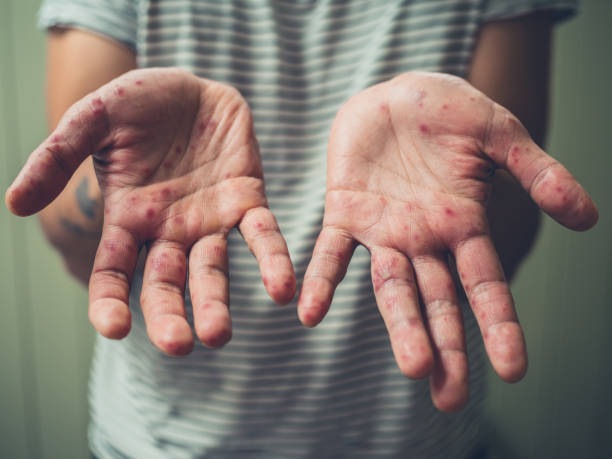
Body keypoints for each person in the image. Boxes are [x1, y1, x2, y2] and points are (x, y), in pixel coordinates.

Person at [5, 0, 598, 457]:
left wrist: (463, 168)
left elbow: (501, 240)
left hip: (406, 442)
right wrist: (119, 187)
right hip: (171, 440)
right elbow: (71, 228)